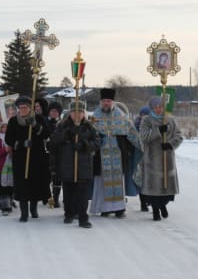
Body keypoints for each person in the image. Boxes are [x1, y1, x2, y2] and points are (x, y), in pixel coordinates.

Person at [90, 88, 142, 218]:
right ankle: (104, 208)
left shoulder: (121, 116)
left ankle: (119, 208)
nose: (106, 103)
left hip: (118, 156)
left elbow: (132, 133)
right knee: (102, 181)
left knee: (119, 181)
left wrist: (141, 147)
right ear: (100, 102)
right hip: (100, 156)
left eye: (108, 101)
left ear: (112, 102)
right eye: (104, 101)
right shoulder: (94, 118)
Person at [50, 101, 100, 228]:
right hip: (67, 165)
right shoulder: (62, 126)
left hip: (83, 166)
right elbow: (53, 142)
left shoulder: (89, 127)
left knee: (82, 194)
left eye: (80, 112)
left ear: (84, 113)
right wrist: (64, 135)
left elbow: (97, 143)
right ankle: (69, 213)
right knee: (69, 192)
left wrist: (84, 145)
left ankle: (83, 218)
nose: (77, 115)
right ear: (70, 113)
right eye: (74, 112)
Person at [5, 96, 51, 222]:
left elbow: (47, 133)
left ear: (30, 108)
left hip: (36, 158)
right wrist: (20, 143)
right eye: (20, 108)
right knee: (22, 186)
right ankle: (24, 212)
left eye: (25, 107)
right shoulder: (14, 121)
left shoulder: (39, 118)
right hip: (20, 158)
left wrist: (35, 126)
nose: (23, 110)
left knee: (35, 184)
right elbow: (8, 138)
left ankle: (33, 208)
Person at [139, 96, 183, 221]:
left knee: (166, 188)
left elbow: (179, 136)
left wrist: (170, 144)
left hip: (167, 158)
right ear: (152, 108)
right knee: (154, 188)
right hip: (153, 159)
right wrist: (158, 131)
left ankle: (163, 205)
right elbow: (144, 137)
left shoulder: (170, 120)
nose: (159, 109)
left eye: (160, 107)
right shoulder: (146, 120)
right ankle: (155, 211)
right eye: (156, 107)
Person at [0, 122, 14, 216]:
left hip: (12, 166)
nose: (5, 129)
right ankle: (4, 206)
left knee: (10, 187)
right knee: (2, 188)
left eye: (7, 127)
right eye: (3, 127)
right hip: (0, 167)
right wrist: (5, 150)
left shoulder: (13, 138)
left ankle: (10, 202)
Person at [134, 106, 151, 212]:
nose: (145, 117)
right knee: (141, 180)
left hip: (152, 157)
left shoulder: (153, 125)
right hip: (140, 156)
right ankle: (143, 203)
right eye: (143, 115)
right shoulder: (135, 126)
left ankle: (150, 200)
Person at [47, 101, 63, 207]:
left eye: (56, 111)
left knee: (57, 178)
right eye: (52, 111)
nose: (54, 113)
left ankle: (56, 199)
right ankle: (48, 198)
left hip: (58, 153)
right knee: (47, 177)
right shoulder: (45, 123)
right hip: (46, 153)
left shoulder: (62, 124)